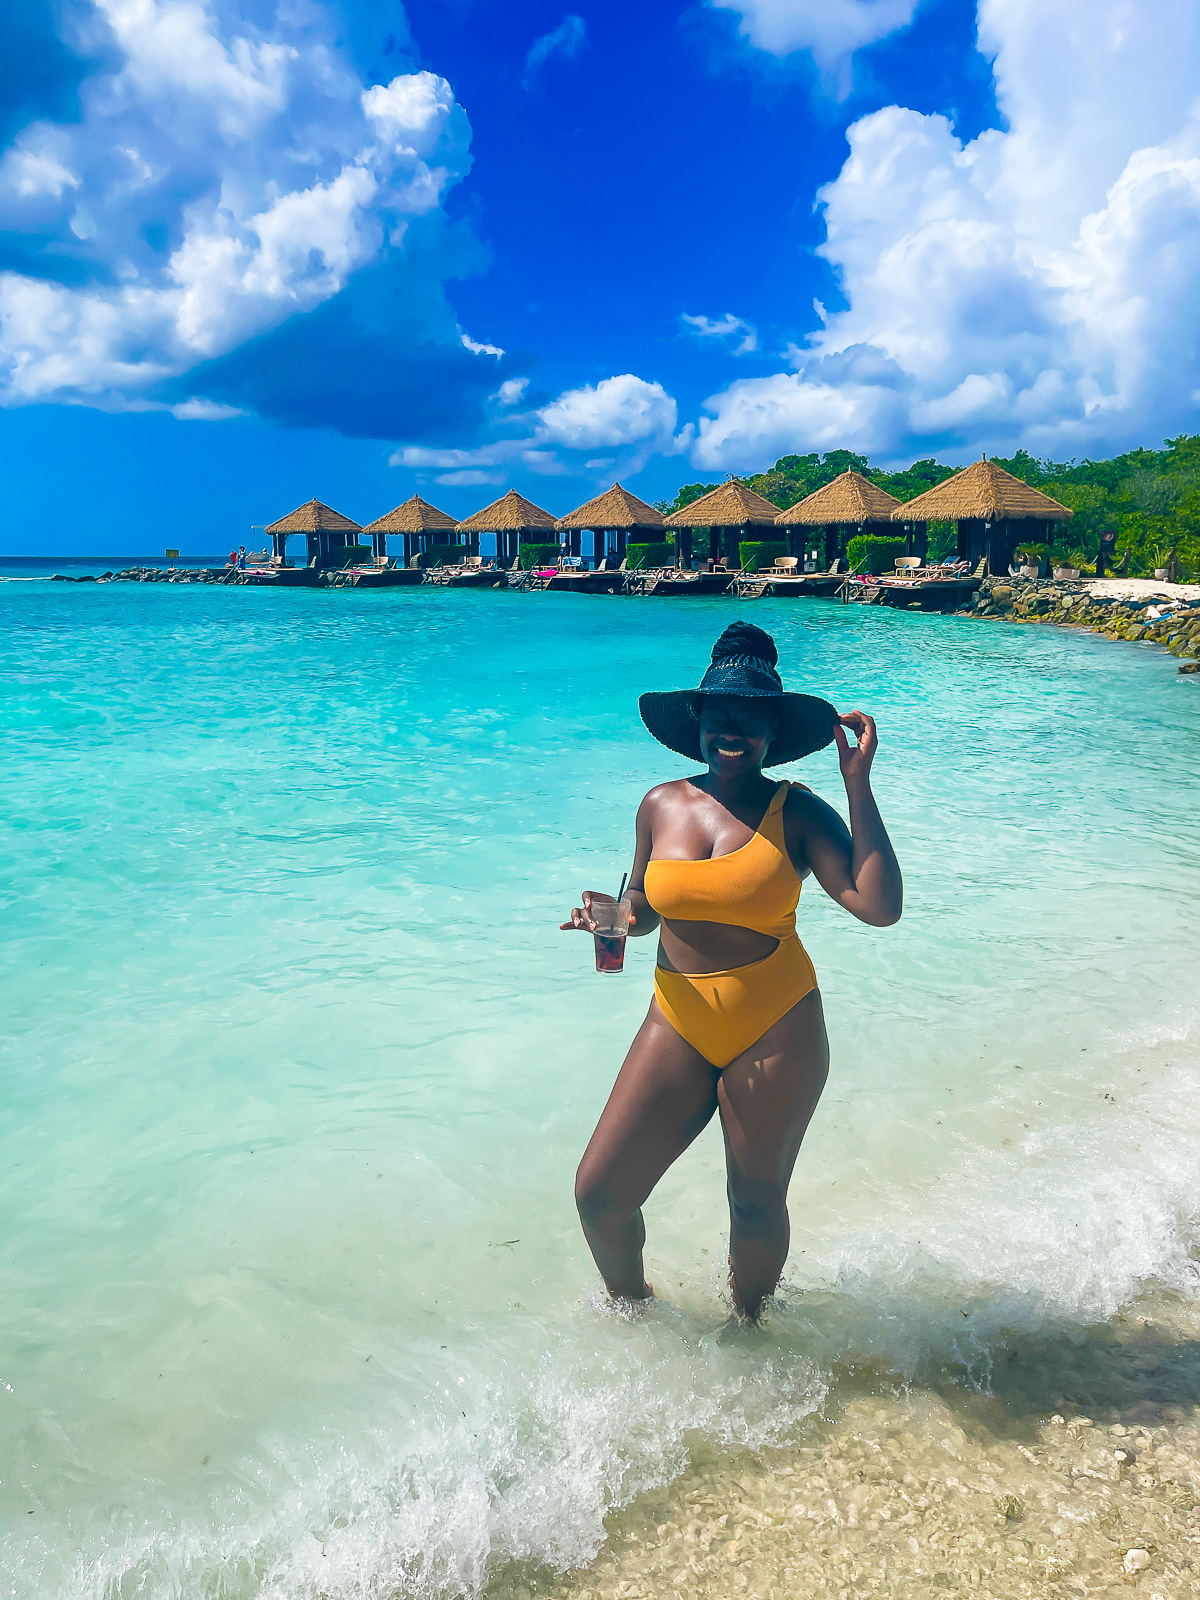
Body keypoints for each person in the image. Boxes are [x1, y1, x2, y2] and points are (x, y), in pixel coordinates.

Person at [562, 622, 902, 1320]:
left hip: (776, 1022)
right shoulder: (661, 803)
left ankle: (749, 1330)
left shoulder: (799, 812)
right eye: (720, 714)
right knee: (600, 1195)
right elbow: (644, 909)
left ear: (772, 732)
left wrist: (857, 786)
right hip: (677, 1016)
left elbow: (878, 906)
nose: (732, 730)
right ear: (698, 721)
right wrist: (613, 920)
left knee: (753, 1202)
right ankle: (634, 1315)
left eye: (750, 718)